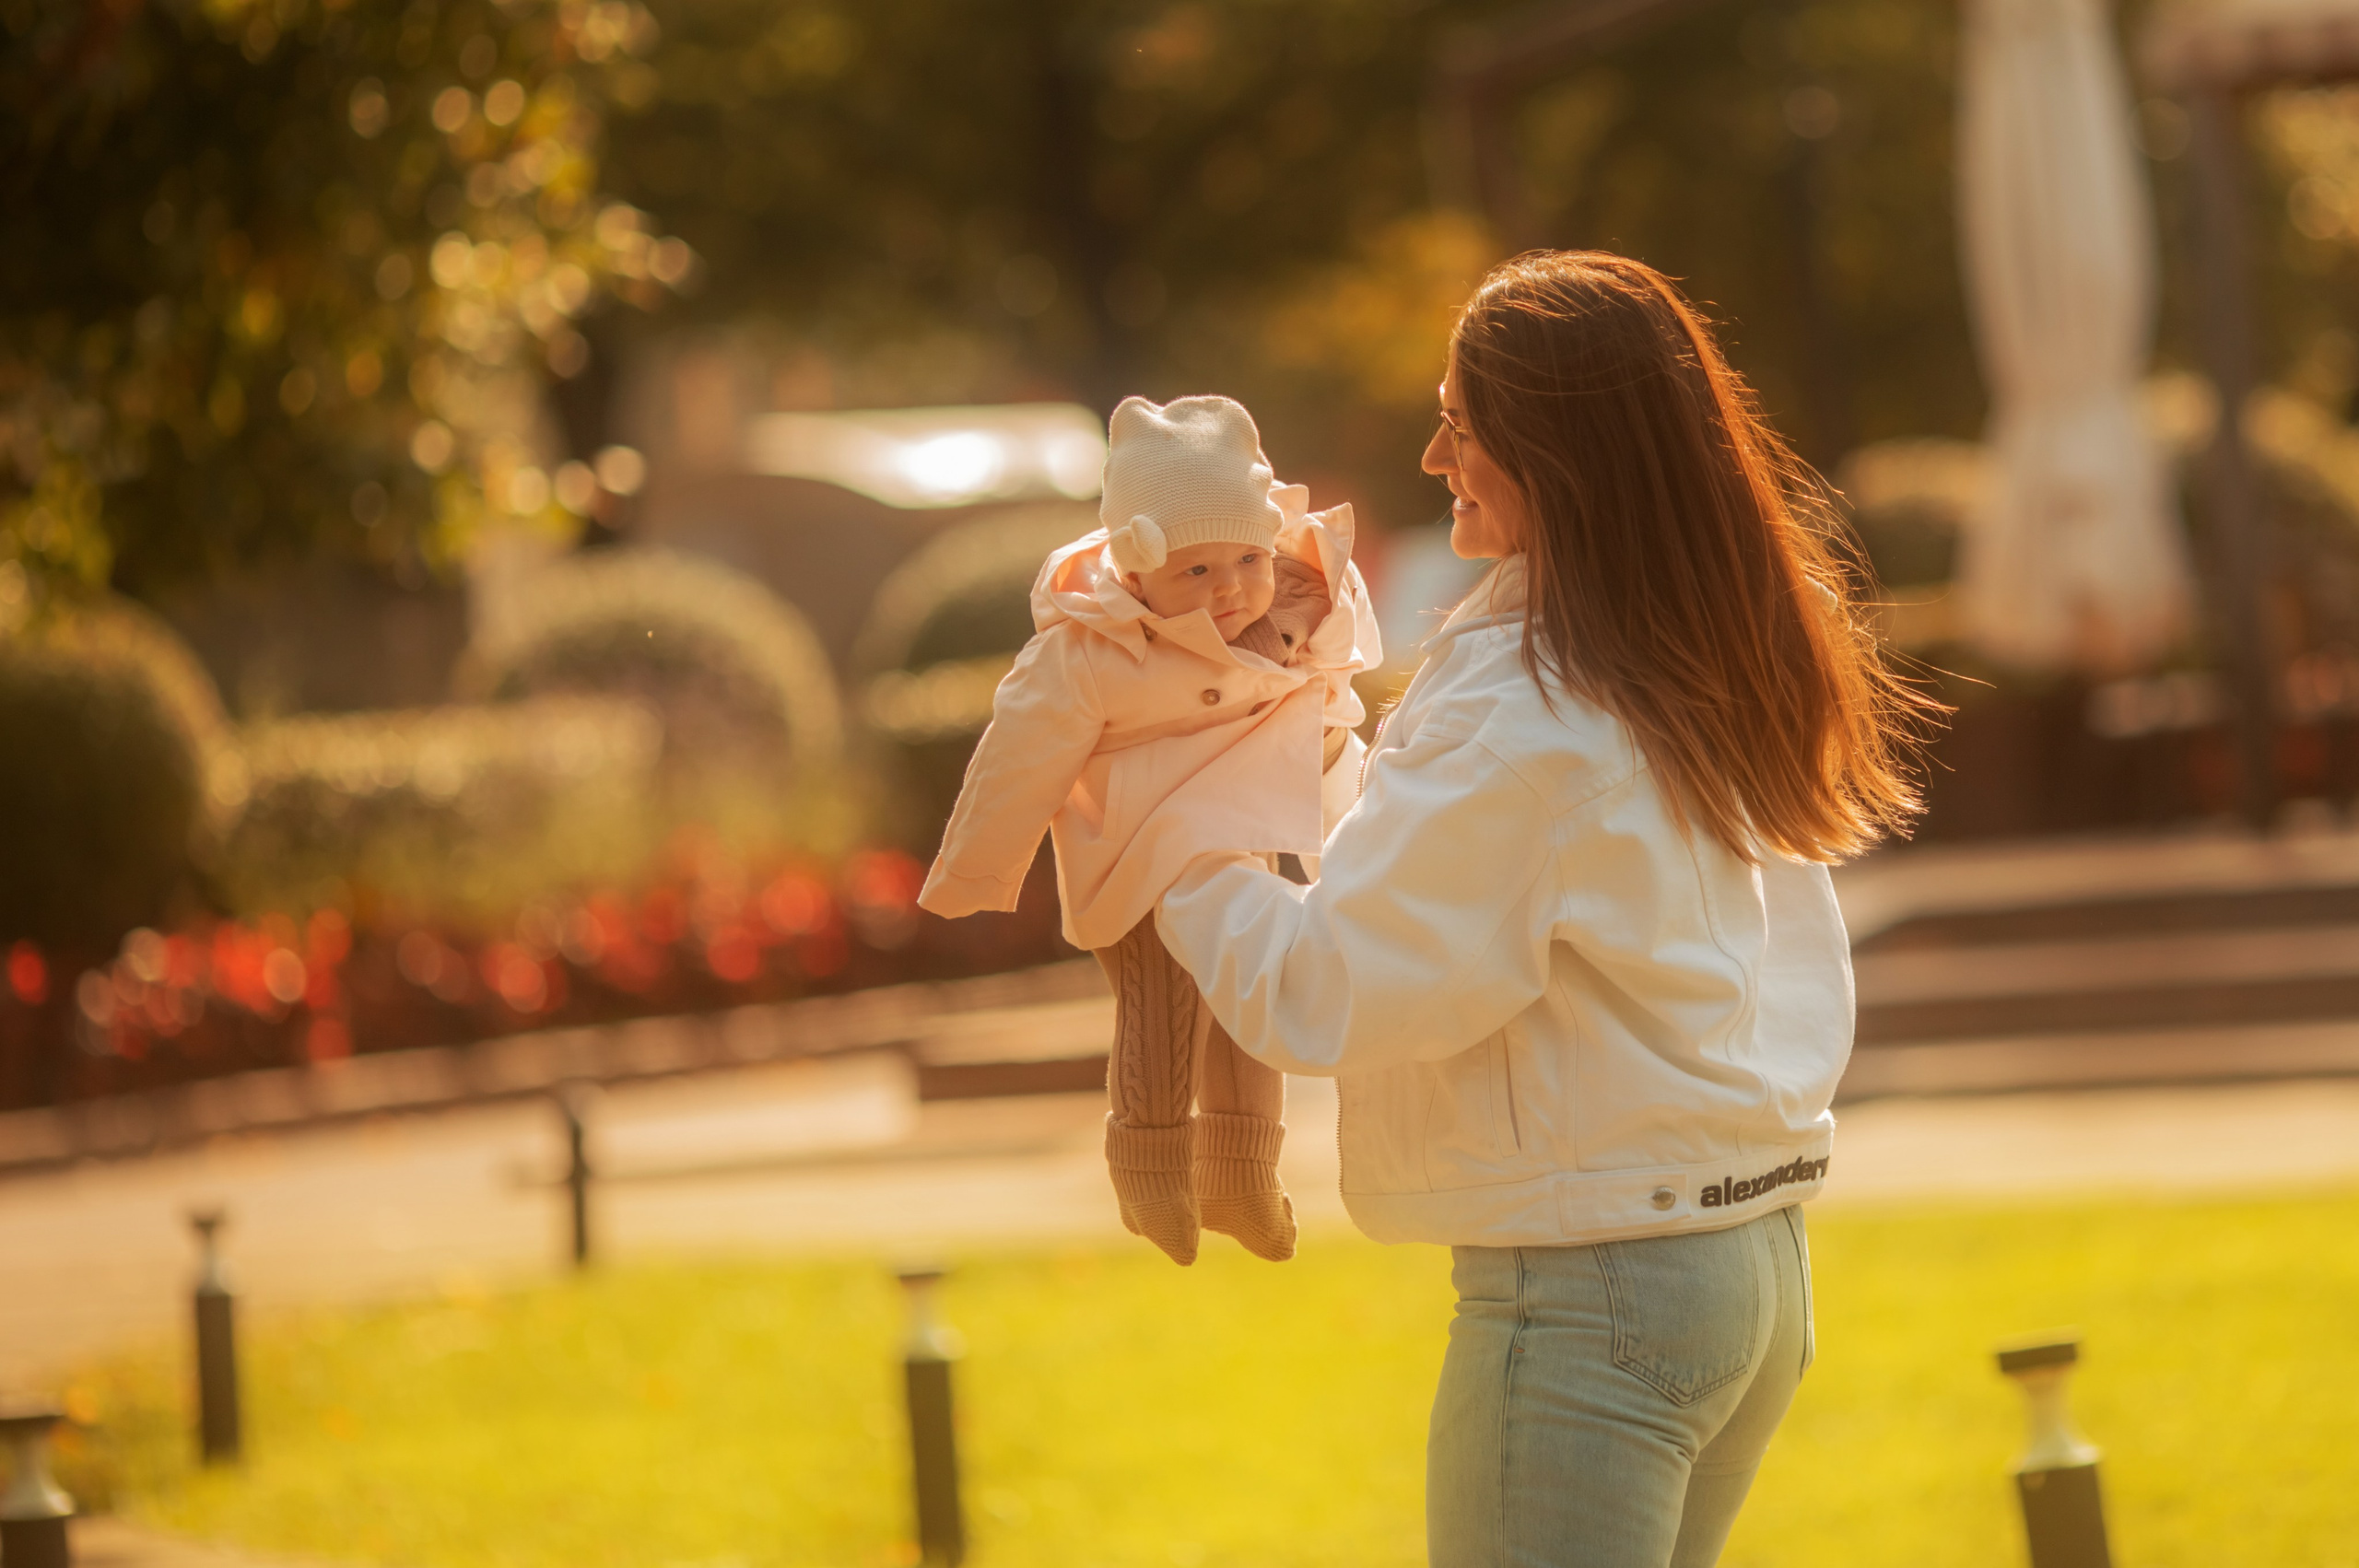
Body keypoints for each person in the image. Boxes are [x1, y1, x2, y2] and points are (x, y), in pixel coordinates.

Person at [1154, 252, 1938, 1567]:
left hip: (1599, 1289)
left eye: (1461, 424)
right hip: (1742, 1260)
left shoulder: (1532, 706)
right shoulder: (1682, 652)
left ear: (1555, 450)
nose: (1434, 454)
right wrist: (1295, 748)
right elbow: (1456, 870)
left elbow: (1327, 989)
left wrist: (1169, 831)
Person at [919, 393, 1379, 1266]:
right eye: (1195, 571)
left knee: (1251, 998)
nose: (1229, 588)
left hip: (1241, 844)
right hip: (1137, 853)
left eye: (1247, 559)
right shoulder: (1091, 651)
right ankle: (1150, 1170)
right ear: (1135, 574)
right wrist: (979, 869)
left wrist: (1342, 785)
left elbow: (1322, 711)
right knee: (1163, 1004)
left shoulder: (1289, 617)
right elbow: (1018, 757)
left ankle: (1241, 1175)